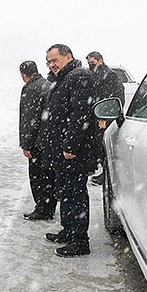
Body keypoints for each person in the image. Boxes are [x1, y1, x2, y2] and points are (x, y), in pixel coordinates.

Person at [42, 44, 96, 257]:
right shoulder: (62, 79)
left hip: (73, 151)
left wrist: (71, 146)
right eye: (49, 62)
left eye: (55, 60)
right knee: (64, 191)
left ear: (68, 57)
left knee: (76, 194)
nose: (52, 65)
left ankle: (80, 240)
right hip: (61, 150)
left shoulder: (78, 77)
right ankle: (68, 230)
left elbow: (80, 115)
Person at [18, 60, 55, 221]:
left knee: (37, 177)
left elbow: (29, 119)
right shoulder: (47, 84)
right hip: (48, 139)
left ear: (23, 74)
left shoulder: (31, 89)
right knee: (48, 176)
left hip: (38, 142)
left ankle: (42, 209)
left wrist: (27, 144)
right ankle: (49, 206)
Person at [85, 51, 125, 186]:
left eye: (93, 62)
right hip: (96, 116)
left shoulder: (109, 75)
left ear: (100, 60)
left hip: (105, 117)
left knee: (104, 147)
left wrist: (105, 117)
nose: (90, 65)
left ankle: (106, 173)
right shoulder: (94, 74)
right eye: (89, 63)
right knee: (96, 145)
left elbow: (114, 97)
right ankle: (96, 167)